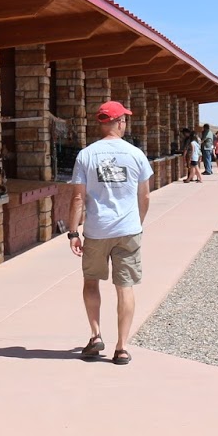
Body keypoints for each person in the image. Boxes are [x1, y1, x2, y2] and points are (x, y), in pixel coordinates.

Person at [67, 101, 152, 366]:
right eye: (124, 119)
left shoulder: (86, 155)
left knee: (91, 281)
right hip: (128, 229)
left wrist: (73, 232)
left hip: (96, 229)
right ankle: (122, 348)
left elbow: (78, 197)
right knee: (124, 287)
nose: (125, 123)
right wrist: (137, 222)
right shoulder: (136, 154)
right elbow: (145, 195)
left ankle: (95, 336)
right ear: (118, 122)